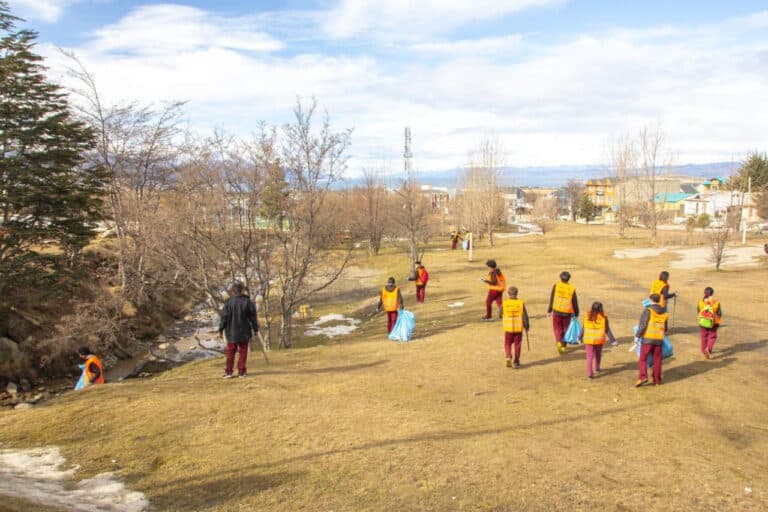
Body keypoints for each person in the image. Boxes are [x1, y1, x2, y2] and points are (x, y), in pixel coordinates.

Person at [218, 281, 259, 379]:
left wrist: (220, 329)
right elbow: (253, 317)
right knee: (243, 351)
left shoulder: (228, 302)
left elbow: (224, 317)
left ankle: (229, 372)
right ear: (242, 290)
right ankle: (241, 372)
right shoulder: (248, 302)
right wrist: (255, 329)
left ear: (233, 291)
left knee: (230, 352)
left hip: (231, 332)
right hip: (244, 332)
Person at [635, 293, 668, 387]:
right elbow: (665, 328)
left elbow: (643, 324)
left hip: (648, 338)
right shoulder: (664, 312)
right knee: (657, 360)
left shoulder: (648, 310)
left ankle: (643, 377)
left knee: (643, 358)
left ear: (650, 300)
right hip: (659, 339)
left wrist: (637, 336)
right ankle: (657, 380)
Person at [579, 302, 616, 379]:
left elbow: (583, 328)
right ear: (601, 309)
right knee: (598, 354)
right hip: (599, 339)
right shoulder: (604, 317)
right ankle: (597, 367)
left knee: (589, 357)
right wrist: (613, 340)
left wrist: (579, 337)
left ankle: (589, 374)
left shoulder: (587, 316)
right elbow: (607, 330)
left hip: (588, 340)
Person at [547, 271, 579, 353]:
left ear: (560, 277)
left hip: (557, 310)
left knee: (557, 328)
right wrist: (576, 312)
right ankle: (564, 346)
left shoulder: (556, 285)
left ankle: (558, 342)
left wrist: (549, 309)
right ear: (569, 279)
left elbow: (552, 297)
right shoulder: (571, 288)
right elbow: (575, 301)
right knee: (566, 328)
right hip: (567, 311)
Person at [502, 286, 529, 368]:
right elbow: (525, 316)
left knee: (507, 344)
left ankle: (508, 356)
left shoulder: (505, 303)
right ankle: (516, 362)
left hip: (508, 328)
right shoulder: (521, 303)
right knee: (517, 345)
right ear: (517, 294)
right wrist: (527, 326)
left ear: (508, 294)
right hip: (518, 329)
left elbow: (500, 314)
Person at [697, 286, 723, 359]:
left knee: (703, 336)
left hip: (702, 322)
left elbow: (698, 311)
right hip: (713, 323)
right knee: (712, 336)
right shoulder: (716, 302)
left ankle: (703, 350)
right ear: (712, 294)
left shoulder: (700, 302)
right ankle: (708, 349)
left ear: (704, 293)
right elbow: (720, 313)